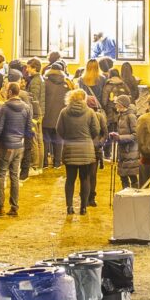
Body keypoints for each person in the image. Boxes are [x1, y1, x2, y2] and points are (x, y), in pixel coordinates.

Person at [57, 88, 101, 216]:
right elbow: (96, 130)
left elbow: (59, 129)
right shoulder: (90, 112)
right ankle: (83, 208)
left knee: (70, 179)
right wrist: (87, 138)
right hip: (86, 150)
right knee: (85, 179)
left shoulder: (64, 112)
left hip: (70, 149)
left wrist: (68, 137)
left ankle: (70, 207)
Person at [0, 84, 33, 218]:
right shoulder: (27, 108)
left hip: (6, 145)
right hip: (19, 145)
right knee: (14, 176)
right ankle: (14, 207)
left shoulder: (4, 108)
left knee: (0, 175)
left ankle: (0, 208)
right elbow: (29, 128)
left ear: (10, 92)